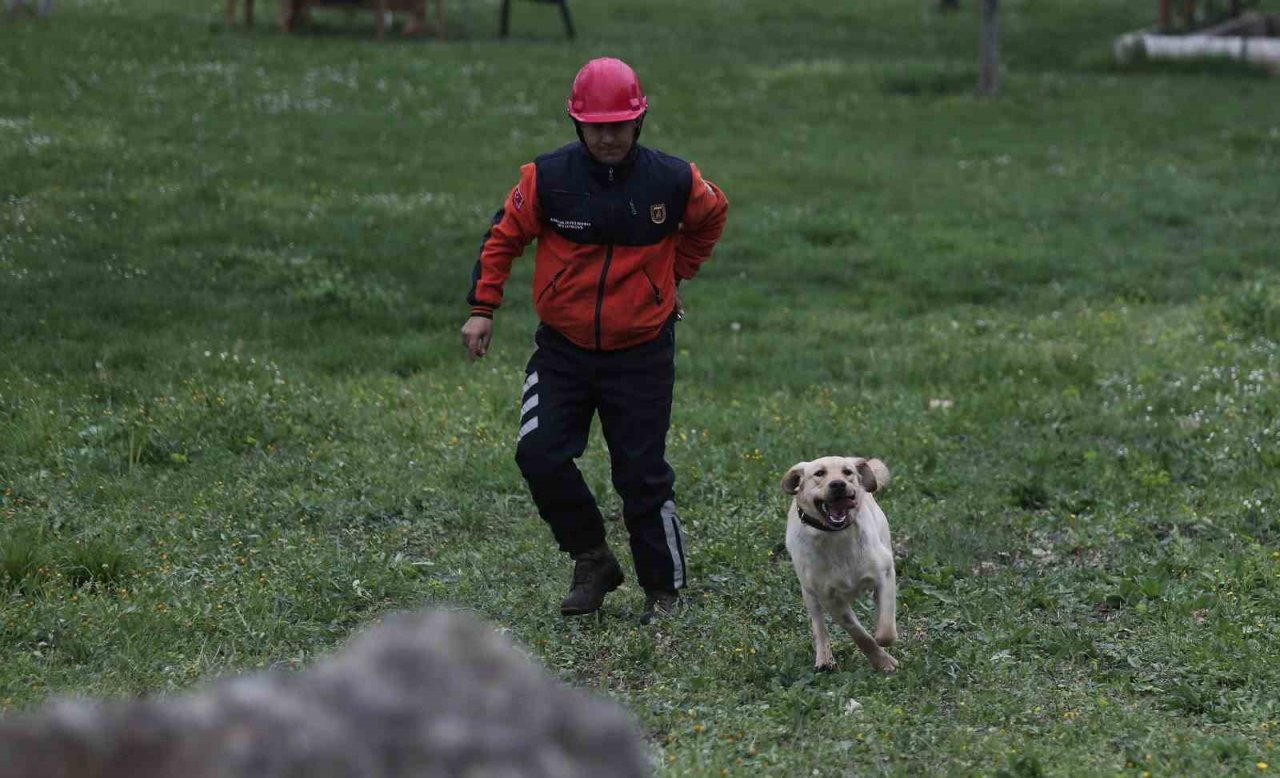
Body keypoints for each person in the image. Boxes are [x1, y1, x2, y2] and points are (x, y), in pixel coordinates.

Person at [460, 57, 729, 624]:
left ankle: (664, 592)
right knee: (539, 453)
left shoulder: (675, 180)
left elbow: (712, 216)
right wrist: (483, 309)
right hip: (563, 350)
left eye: (619, 124)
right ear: (576, 123)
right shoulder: (546, 178)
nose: (607, 136)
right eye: (595, 125)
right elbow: (501, 238)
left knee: (641, 475)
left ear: (640, 121)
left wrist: (675, 272)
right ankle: (592, 559)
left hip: (642, 354)